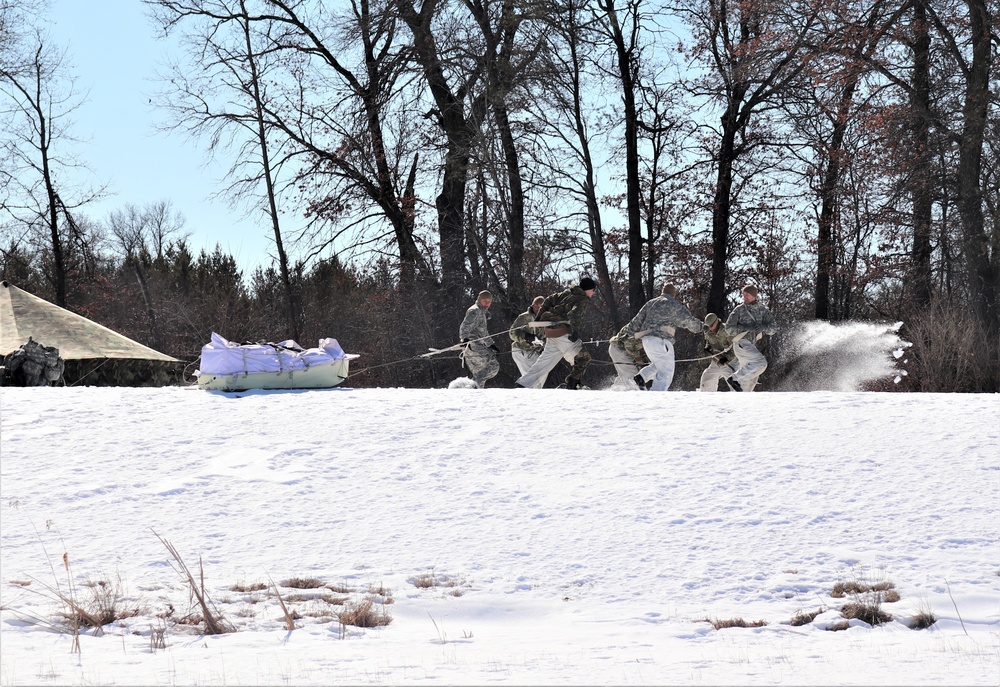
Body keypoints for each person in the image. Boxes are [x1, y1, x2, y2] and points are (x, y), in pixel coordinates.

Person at [515, 277, 597, 390]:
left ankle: (523, 384)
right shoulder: (582, 299)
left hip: (550, 333)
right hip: (563, 333)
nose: (594, 293)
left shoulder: (566, 293)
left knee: (544, 363)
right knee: (584, 358)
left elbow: (548, 300)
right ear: (588, 289)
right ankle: (572, 384)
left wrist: (539, 317)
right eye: (593, 290)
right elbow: (575, 315)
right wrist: (574, 330)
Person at [625, 284, 704, 391]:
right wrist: (701, 327)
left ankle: (641, 377)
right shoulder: (673, 304)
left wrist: (629, 334)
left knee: (659, 364)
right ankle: (657, 396)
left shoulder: (651, 303)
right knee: (666, 371)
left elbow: (636, 321)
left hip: (647, 341)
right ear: (674, 294)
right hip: (661, 341)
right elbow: (687, 320)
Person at [723, 284, 777, 392]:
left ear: (754, 296)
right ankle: (734, 378)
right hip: (741, 343)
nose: (745, 296)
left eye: (748, 294)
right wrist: (744, 327)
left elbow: (773, 328)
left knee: (750, 380)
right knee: (761, 363)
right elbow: (728, 329)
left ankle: (739, 398)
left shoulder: (762, 310)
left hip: (751, 345)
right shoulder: (739, 310)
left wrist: (763, 327)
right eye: (744, 294)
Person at [459, 289, 500, 388]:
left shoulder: (482, 312)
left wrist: (491, 344)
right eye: (485, 301)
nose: (487, 304)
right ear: (479, 300)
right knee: (493, 366)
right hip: (473, 345)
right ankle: (473, 386)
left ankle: (475, 392)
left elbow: (483, 333)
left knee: (480, 372)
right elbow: (464, 326)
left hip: (477, 345)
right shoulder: (475, 311)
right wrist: (464, 339)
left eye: (489, 301)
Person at [509, 296, 546, 387]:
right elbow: (512, 333)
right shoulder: (524, 317)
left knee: (541, 375)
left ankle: (535, 397)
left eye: (541, 307)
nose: (538, 309)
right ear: (532, 305)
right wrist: (526, 336)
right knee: (531, 378)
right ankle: (521, 390)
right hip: (521, 350)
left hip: (535, 352)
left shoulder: (545, 319)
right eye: (537, 306)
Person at [699, 312, 737, 392]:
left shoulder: (727, 331)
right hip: (716, 360)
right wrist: (707, 348)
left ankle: (738, 400)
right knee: (707, 378)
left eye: (711, 326)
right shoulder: (707, 331)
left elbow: (735, 347)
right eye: (708, 326)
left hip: (730, 362)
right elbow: (708, 342)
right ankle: (707, 400)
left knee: (735, 383)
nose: (710, 329)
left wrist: (727, 358)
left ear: (716, 322)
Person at [608, 325, 653, 390]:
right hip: (619, 350)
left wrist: (646, 362)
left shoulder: (649, 331)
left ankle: (615, 391)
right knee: (631, 378)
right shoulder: (643, 330)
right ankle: (632, 394)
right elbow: (628, 344)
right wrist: (638, 359)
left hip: (622, 350)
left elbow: (642, 351)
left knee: (625, 376)